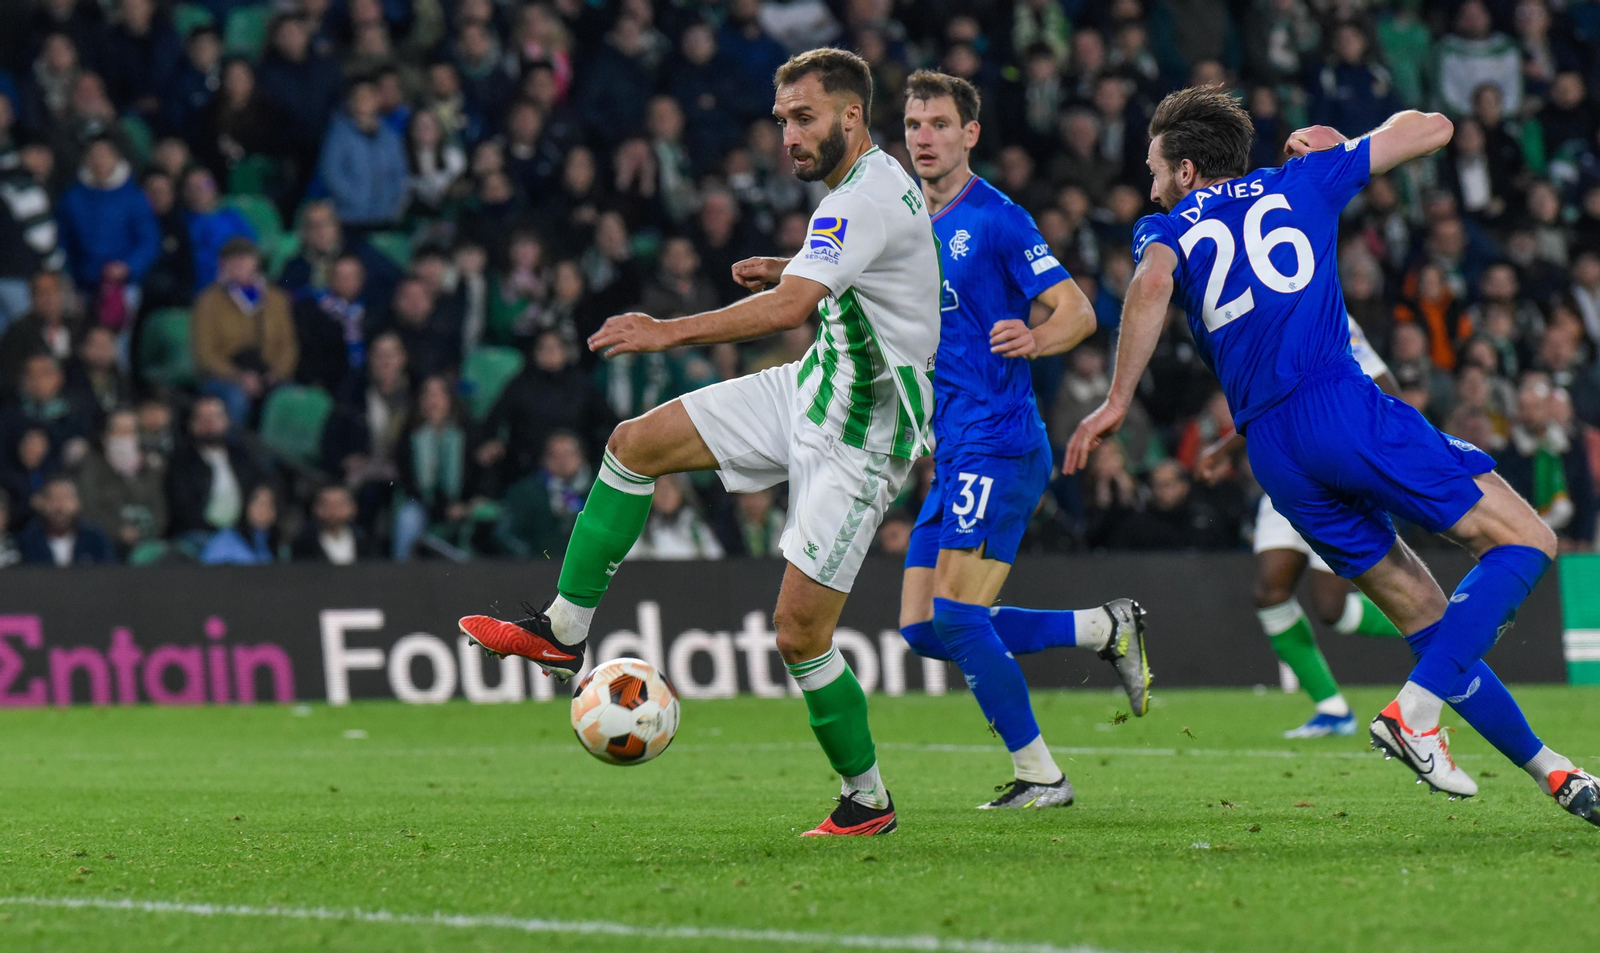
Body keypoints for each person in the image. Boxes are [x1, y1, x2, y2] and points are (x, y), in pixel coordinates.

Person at [1065, 87, 1599, 823]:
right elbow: (1435, 126)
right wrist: (1345, 136)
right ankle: (1415, 711)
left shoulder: (1163, 229)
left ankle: (1555, 772)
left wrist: (1118, 399)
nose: (1149, 180)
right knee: (1530, 537)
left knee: (1427, 615)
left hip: (1275, 451)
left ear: (1187, 171)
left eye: (1155, 166)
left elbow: (1154, 284)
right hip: (1337, 405)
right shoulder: (1303, 178)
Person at [461, 50, 937, 837]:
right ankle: (562, 632)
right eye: (782, 119)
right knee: (634, 442)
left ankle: (867, 799)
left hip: (862, 437)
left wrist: (667, 331)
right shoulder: (870, 188)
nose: (788, 134)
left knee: (799, 634)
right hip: (814, 385)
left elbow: (791, 310)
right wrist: (797, 268)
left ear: (853, 117)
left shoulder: (860, 198)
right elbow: (885, 275)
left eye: (805, 117)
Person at [894, 70, 1150, 811]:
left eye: (940, 124)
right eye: (914, 125)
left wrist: (1034, 338)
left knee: (957, 616)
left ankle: (1043, 773)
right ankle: (1104, 626)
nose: (925, 137)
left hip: (999, 440)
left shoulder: (998, 218)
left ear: (970, 134)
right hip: (953, 447)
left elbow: (1075, 309)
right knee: (921, 628)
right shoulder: (908, 218)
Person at [1197, 316, 1406, 738]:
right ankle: (1332, 710)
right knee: (1269, 591)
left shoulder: (1329, 316)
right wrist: (1225, 448)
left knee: (1332, 609)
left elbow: (1387, 388)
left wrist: (1374, 457)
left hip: (1334, 476)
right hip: (1284, 473)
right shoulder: (1253, 320)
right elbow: (1264, 403)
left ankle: (1448, 625)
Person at [192, 238, 298, 426]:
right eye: (233, 260)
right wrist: (238, 377)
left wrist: (277, 373)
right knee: (236, 399)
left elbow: (289, 345)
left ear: (256, 262)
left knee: (291, 399)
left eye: (246, 258)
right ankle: (234, 451)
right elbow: (205, 352)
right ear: (222, 265)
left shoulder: (276, 299)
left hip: (268, 373)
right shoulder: (208, 301)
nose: (240, 264)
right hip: (225, 377)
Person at [165, 395, 263, 540]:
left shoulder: (242, 458)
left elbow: (261, 488)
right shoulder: (181, 463)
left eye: (215, 417)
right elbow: (183, 509)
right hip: (198, 536)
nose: (209, 424)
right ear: (191, 424)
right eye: (202, 418)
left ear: (227, 421)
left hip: (241, 534)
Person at [76, 407, 165, 556]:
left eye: (130, 431)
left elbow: (160, 511)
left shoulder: (151, 469)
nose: (125, 438)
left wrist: (143, 533)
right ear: (105, 436)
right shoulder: (90, 466)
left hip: (147, 543)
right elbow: (88, 508)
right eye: (119, 431)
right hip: (107, 542)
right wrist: (118, 530)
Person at [17, 474, 113, 566]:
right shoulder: (26, 541)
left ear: (78, 502)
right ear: (42, 503)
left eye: (66, 498)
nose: (60, 506)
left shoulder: (96, 540)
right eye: (53, 498)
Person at [291, 483, 372, 564]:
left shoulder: (364, 538)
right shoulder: (304, 542)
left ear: (353, 508)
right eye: (327, 505)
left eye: (339, 504)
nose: (333, 511)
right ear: (315, 508)